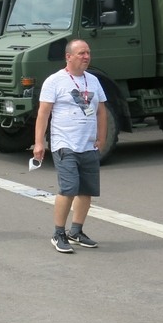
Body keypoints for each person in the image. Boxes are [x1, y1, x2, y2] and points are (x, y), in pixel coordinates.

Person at [33, 39, 108, 254]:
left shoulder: (93, 80)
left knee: (86, 190)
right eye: (81, 53)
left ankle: (76, 231)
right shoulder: (54, 81)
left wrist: (101, 138)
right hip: (64, 144)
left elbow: (101, 111)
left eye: (88, 53)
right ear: (68, 57)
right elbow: (43, 114)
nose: (86, 56)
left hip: (88, 145)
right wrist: (39, 142)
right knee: (68, 189)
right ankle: (58, 233)